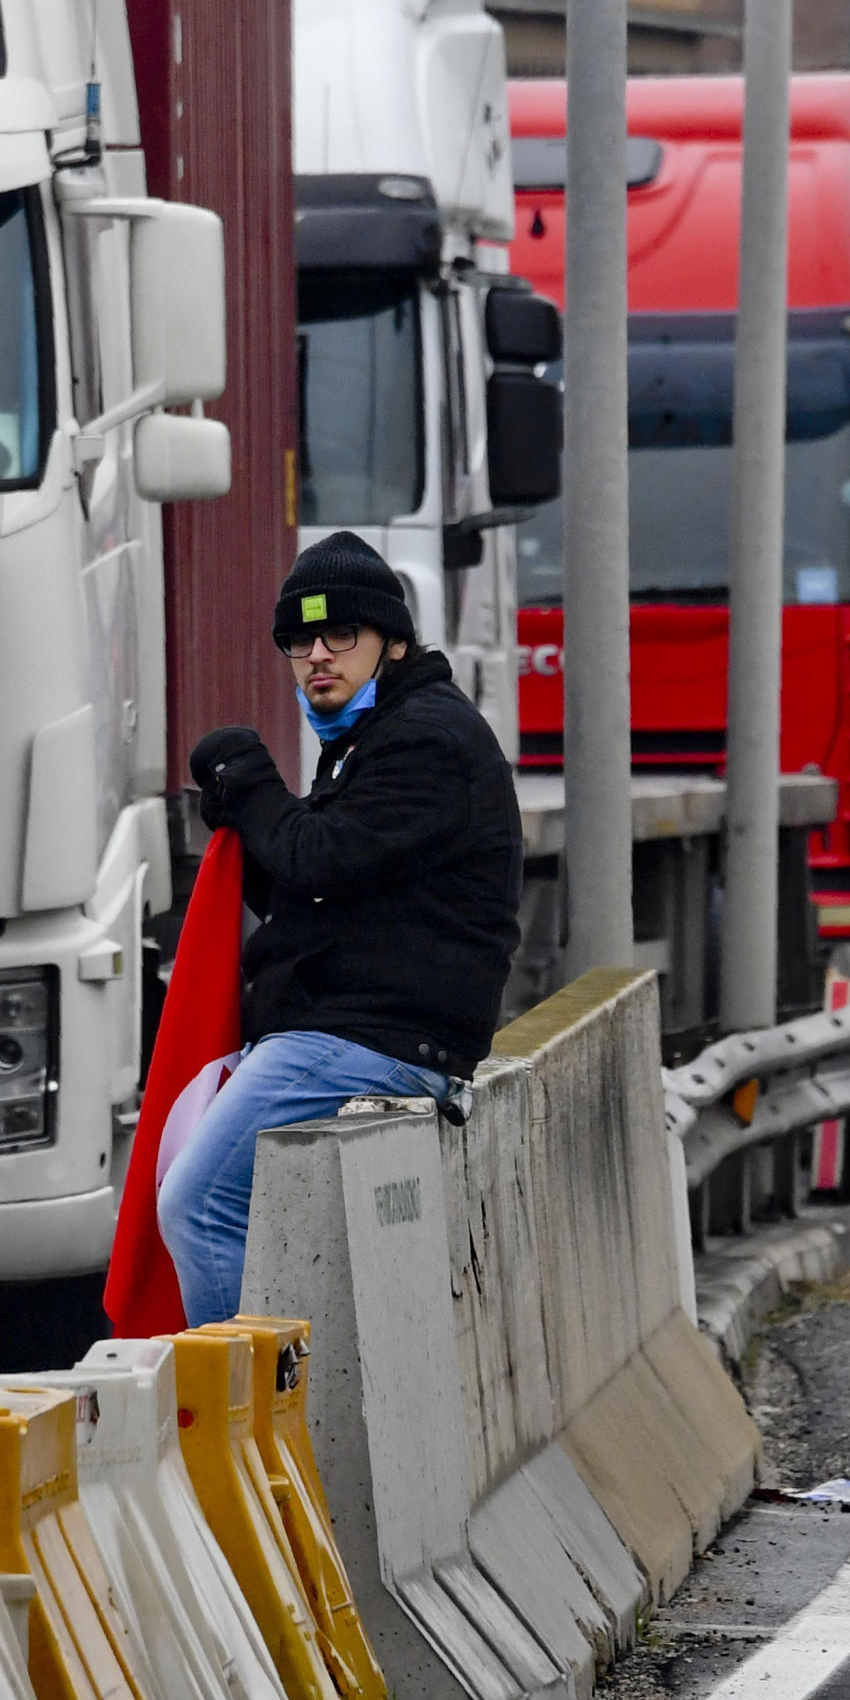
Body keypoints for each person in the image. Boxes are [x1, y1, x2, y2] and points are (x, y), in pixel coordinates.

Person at [154, 530, 525, 1325]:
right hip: (353, 1030)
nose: (318, 655)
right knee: (199, 1191)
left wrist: (249, 782)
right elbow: (312, 886)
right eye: (299, 640)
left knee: (197, 1203)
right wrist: (243, 824)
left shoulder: (427, 739)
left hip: (372, 1038)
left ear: (393, 641)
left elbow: (317, 859)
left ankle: (233, 1425)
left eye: (340, 635)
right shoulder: (371, 737)